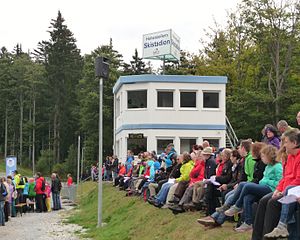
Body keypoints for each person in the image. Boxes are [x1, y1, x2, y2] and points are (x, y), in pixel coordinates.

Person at [224, 144, 283, 232]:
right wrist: (264, 181)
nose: (262, 158)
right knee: (247, 197)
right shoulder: (268, 166)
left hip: (271, 189)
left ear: (269, 156)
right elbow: (263, 180)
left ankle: (237, 205)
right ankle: (248, 223)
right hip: (263, 187)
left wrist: (266, 181)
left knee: (245, 185)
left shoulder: (277, 166)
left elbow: (280, 182)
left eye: (263, 156)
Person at [262, 129, 300, 239]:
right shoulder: (291, 157)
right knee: (266, 201)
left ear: (295, 143)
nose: (283, 145)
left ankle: (282, 226)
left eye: (286, 142)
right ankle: (263, 235)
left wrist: (284, 191)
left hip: (292, 190)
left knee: (274, 201)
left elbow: (298, 179)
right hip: (288, 190)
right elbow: (285, 177)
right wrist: (278, 190)